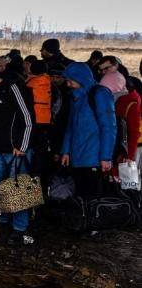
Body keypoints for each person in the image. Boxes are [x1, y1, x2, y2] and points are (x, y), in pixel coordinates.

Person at [0, 66, 35, 246]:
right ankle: (3, 220)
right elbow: (0, 117)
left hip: (16, 151)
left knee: (18, 190)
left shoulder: (13, 89)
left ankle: (20, 228)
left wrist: (22, 146)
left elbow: (28, 119)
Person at [60, 62, 116, 197]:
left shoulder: (100, 94)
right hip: (77, 156)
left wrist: (106, 157)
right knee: (80, 197)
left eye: (70, 81)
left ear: (80, 78)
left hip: (94, 157)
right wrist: (66, 151)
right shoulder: (76, 96)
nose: (68, 84)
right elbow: (70, 127)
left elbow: (109, 127)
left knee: (92, 196)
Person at [100, 71, 141, 169]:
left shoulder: (130, 103)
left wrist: (129, 156)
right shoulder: (118, 101)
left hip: (129, 151)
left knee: (130, 181)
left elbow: (134, 132)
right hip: (121, 150)